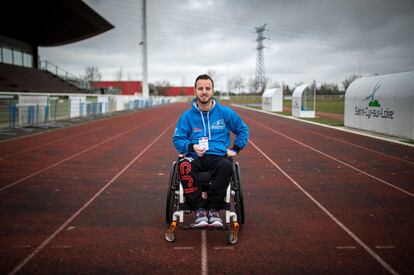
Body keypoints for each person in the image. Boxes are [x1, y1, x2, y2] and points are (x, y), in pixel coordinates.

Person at [173, 74, 249, 227]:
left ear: (213, 91)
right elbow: (178, 139)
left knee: (227, 166)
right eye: (200, 88)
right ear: (195, 91)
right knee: (183, 166)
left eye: (208, 88)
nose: (204, 91)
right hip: (195, 156)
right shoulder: (187, 116)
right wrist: (191, 146)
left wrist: (235, 149)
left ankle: (214, 209)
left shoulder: (225, 113)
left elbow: (242, 129)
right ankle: (200, 209)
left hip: (218, 156)